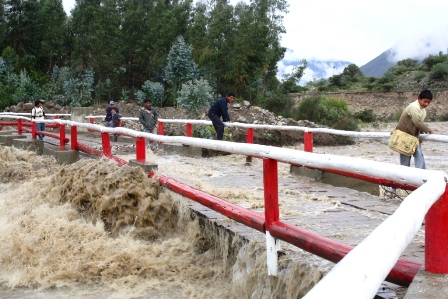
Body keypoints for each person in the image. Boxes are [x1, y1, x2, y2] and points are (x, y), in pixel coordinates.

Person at [396, 89, 435, 169]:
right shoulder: (414, 107)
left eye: (428, 102)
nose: (426, 104)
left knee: (419, 155)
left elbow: (417, 125)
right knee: (406, 157)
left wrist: (418, 136)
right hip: (404, 135)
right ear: (419, 98)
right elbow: (417, 122)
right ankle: (405, 176)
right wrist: (429, 131)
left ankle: (421, 174)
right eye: (425, 101)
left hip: (412, 136)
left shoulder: (422, 110)